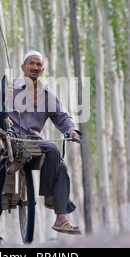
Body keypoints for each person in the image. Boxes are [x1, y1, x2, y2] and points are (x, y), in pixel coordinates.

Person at [8, 50, 82, 235]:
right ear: (23, 67)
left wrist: (71, 130)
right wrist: (2, 97)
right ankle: (49, 196)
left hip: (34, 142)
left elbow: (62, 116)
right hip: (12, 141)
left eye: (38, 65)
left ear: (42, 70)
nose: (35, 67)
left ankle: (61, 218)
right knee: (52, 149)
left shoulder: (47, 94)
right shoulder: (10, 88)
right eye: (31, 63)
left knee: (62, 167)